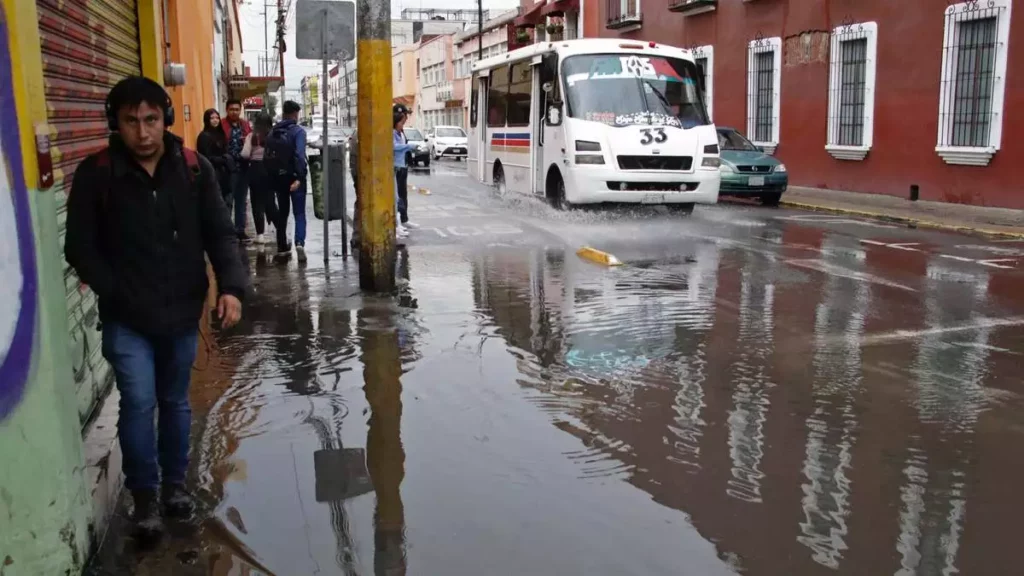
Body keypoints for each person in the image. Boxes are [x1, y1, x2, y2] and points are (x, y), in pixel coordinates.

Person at [64, 76, 248, 540]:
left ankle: (174, 488)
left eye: (150, 120)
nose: (143, 132)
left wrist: (231, 288)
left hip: (182, 313)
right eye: (131, 121)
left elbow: (220, 234)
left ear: (164, 119)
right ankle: (144, 498)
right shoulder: (97, 174)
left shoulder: (193, 169)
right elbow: (79, 248)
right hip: (128, 318)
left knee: (174, 402)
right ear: (116, 123)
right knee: (139, 401)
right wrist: (116, 290)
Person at [266, 100, 309, 262]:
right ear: (296, 114)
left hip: (279, 178)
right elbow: (299, 155)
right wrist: (299, 177)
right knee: (299, 213)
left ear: (283, 113)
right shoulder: (298, 132)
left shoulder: (273, 132)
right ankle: (299, 243)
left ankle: (282, 246)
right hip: (294, 178)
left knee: (283, 213)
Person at [241, 112, 279, 245]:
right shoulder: (274, 136)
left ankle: (260, 235)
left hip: (255, 170)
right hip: (270, 170)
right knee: (270, 202)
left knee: (257, 203)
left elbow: (245, 154)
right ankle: (280, 229)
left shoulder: (252, 136)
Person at [222, 98, 252, 241]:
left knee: (241, 201)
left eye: (237, 109)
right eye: (231, 109)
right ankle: (227, 231)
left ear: (240, 110)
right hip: (228, 169)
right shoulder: (221, 125)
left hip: (244, 168)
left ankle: (240, 230)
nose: (234, 112)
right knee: (228, 200)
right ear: (227, 110)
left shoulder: (245, 125)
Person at [196, 109, 233, 206]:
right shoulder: (203, 136)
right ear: (207, 120)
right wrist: (222, 159)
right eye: (212, 118)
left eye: (217, 118)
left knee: (227, 203)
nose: (215, 120)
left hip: (225, 175)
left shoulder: (221, 134)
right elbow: (204, 157)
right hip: (212, 174)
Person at [393, 104, 416, 238]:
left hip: (402, 165)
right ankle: (397, 224)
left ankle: (402, 220)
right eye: (403, 118)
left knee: (402, 195)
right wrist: (407, 147)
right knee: (396, 197)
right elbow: (394, 147)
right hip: (396, 166)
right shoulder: (393, 131)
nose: (406, 119)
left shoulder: (400, 131)